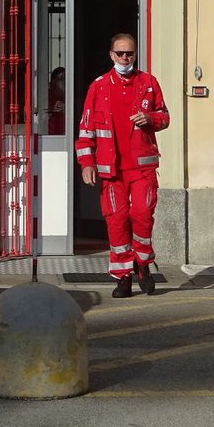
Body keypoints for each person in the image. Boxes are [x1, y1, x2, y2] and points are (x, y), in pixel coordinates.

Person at [76, 34, 169, 298]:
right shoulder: (99, 87)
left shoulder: (148, 83)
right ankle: (123, 277)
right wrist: (86, 163)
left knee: (141, 215)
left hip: (142, 168)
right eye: (120, 54)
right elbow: (86, 128)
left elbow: (164, 117)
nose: (125, 58)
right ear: (111, 55)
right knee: (117, 222)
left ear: (135, 54)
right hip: (111, 170)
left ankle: (143, 264)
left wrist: (149, 118)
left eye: (129, 54)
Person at [45, 68, 66, 135]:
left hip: (67, 135)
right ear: (53, 81)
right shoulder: (47, 96)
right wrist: (52, 110)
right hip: (48, 136)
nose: (64, 82)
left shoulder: (71, 97)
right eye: (61, 79)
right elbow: (40, 117)